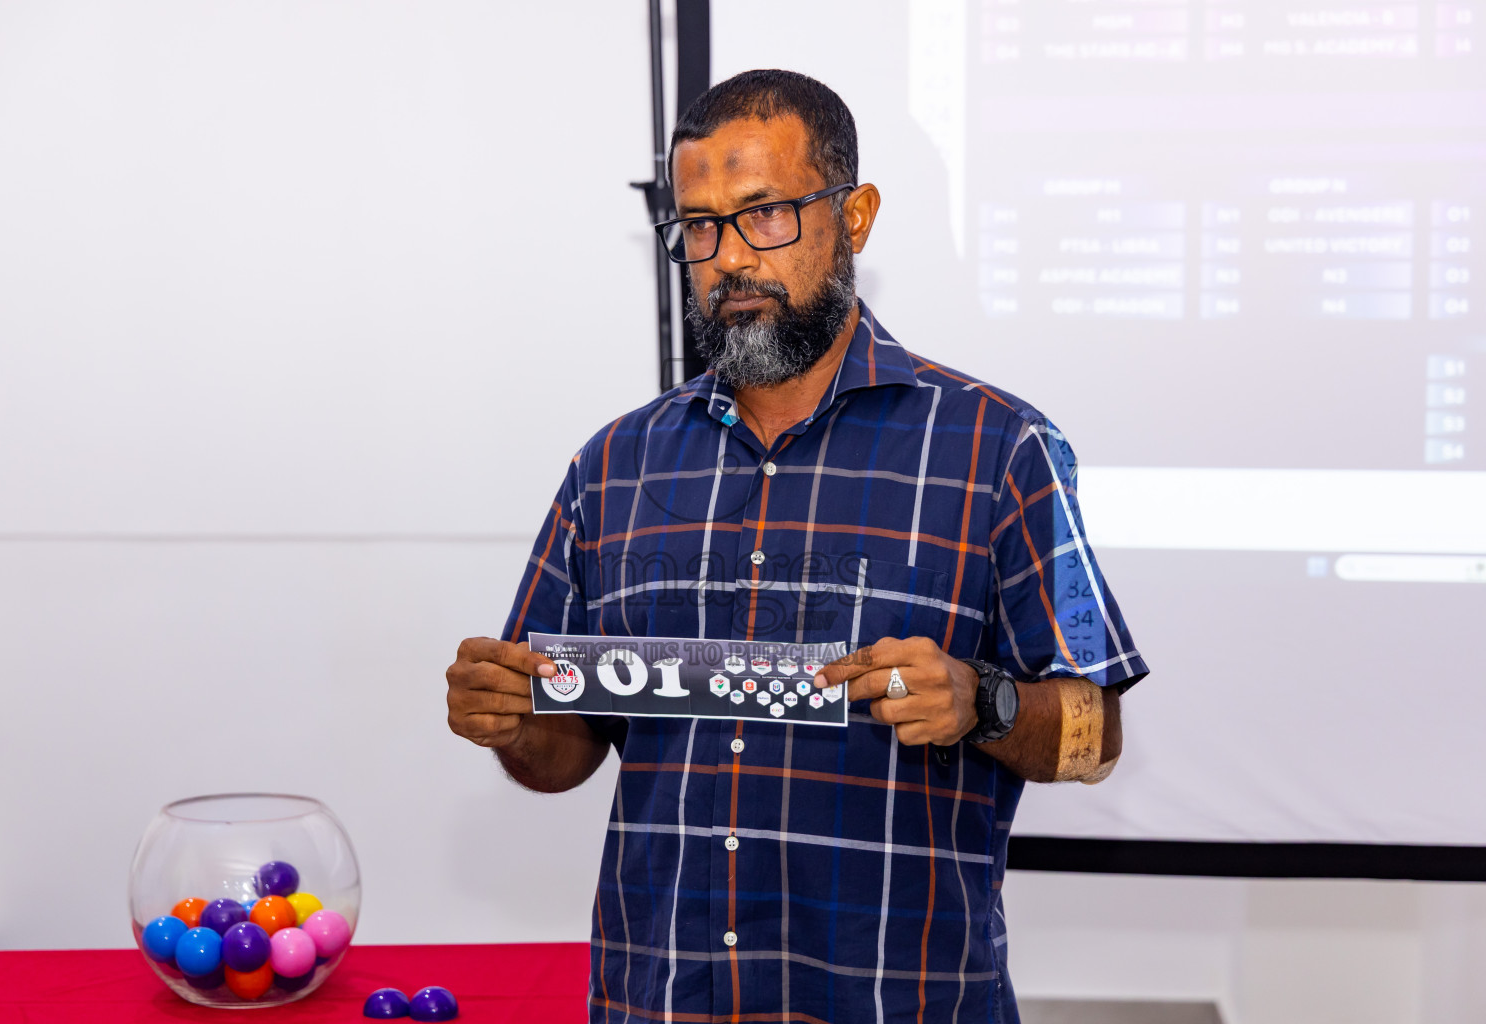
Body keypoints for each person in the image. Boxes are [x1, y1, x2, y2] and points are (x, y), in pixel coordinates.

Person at [446, 69, 1147, 1024]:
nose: (729, 257)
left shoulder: (998, 449)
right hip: (659, 1003)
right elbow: (566, 748)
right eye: (698, 226)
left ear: (853, 216)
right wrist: (512, 720)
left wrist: (980, 700)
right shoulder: (614, 466)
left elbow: (1095, 736)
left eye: (765, 212)